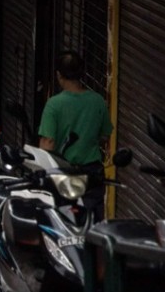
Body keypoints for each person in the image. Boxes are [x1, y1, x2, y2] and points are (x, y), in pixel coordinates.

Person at [38, 50, 113, 221]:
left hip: (64, 174)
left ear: (59, 75)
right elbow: (105, 136)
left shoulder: (54, 105)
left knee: (63, 223)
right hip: (92, 175)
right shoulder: (97, 101)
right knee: (94, 222)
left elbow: (47, 144)